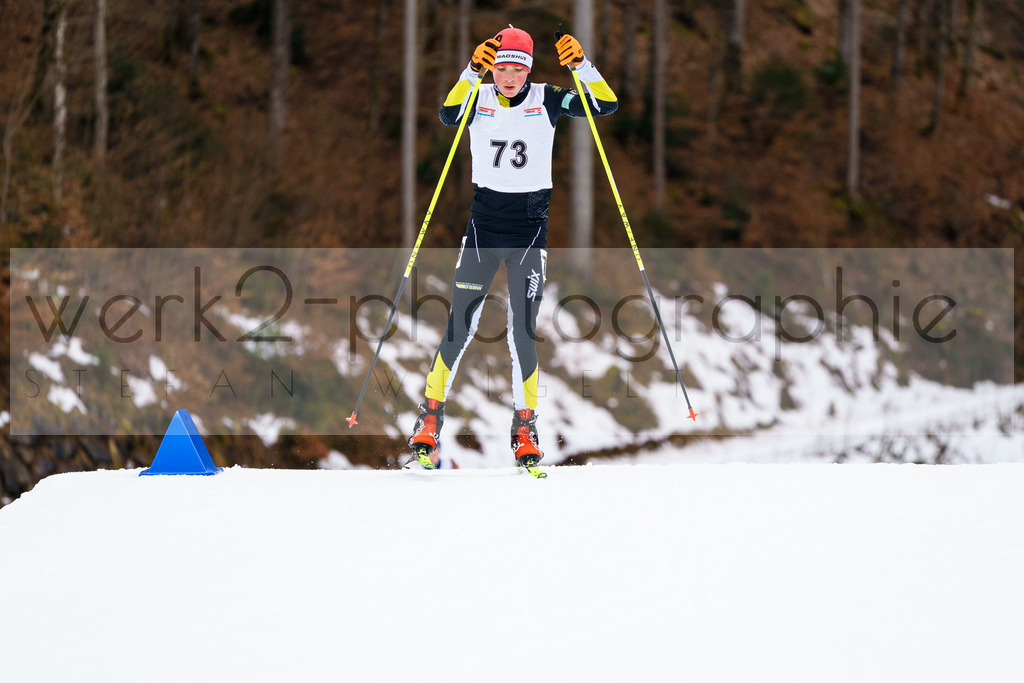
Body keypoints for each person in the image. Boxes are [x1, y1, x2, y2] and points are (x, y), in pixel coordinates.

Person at [408, 25, 618, 470]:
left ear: (528, 71)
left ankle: (525, 428)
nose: (507, 77)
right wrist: (469, 71)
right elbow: (447, 115)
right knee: (459, 325)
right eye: (501, 68)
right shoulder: (478, 95)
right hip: (483, 231)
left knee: (522, 331)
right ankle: (429, 418)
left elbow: (605, 104)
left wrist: (582, 65)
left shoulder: (547, 98)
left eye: (516, 69)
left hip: (529, 237)